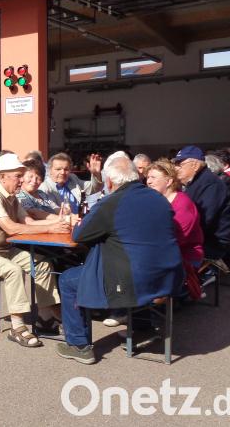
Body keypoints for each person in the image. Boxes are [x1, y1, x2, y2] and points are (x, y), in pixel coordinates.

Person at [56, 157, 183, 365]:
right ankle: (143, 328)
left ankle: (78, 345)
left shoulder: (111, 203)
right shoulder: (158, 198)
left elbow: (79, 235)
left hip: (133, 283)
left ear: (109, 183)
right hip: (168, 275)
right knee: (136, 262)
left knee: (68, 280)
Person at [0, 153, 68, 348]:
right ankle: (17, 327)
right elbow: (11, 228)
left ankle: (47, 316)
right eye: (18, 175)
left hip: (1, 249)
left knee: (41, 263)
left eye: (21, 174)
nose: (22, 180)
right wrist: (51, 228)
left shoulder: (12, 197)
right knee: (12, 270)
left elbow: (27, 221)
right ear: (2, 176)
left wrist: (60, 221)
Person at [146, 159, 204, 300]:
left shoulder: (183, 205)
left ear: (169, 181)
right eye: (147, 177)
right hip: (160, 250)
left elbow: (176, 240)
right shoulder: (155, 201)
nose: (148, 181)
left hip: (185, 255)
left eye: (153, 177)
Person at [174, 146, 230, 260]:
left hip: (213, 242)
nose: (175, 168)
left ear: (195, 165)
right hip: (200, 237)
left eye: (179, 164)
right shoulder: (195, 182)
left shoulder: (211, 184)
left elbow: (204, 219)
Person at [39, 152, 103, 214]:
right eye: (58, 169)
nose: (63, 172)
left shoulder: (72, 179)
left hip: (79, 220)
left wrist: (96, 174)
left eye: (66, 169)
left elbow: (94, 188)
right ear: (50, 171)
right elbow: (51, 211)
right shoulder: (44, 189)